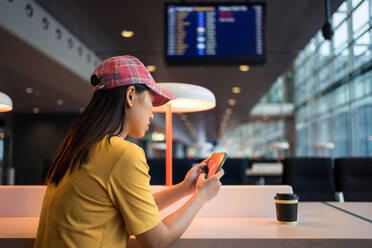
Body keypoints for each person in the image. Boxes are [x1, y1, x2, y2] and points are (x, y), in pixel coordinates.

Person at [34, 55, 224, 248]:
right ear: (131, 95)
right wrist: (201, 198)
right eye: (151, 101)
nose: (152, 112)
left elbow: (133, 208)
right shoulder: (122, 153)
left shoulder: (77, 145)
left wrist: (184, 188)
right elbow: (158, 241)